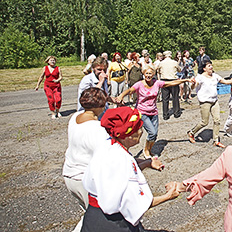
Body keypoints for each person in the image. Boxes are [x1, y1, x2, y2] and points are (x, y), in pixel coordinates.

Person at [81, 107, 179, 232]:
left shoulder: (107, 145)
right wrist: (168, 196)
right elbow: (137, 203)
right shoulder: (122, 160)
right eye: (138, 129)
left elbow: (119, 173)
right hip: (114, 224)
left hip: (93, 217)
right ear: (127, 136)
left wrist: (148, 163)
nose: (141, 132)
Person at [117, 65, 192, 159]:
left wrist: (185, 80)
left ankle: (149, 150)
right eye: (146, 73)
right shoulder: (139, 84)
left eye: (150, 73)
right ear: (143, 74)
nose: (148, 75)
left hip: (153, 112)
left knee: (155, 134)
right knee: (152, 132)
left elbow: (172, 83)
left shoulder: (157, 83)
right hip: (142, 112)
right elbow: (129, 90)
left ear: (153, 74)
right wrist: (121, 96)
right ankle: (146, 151)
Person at [62, 88, 110, 232]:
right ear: (100, 106)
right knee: (98, 218)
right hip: (85, 178)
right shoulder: (98, 129)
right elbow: (107, 156)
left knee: (88, 215)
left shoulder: (75, 117)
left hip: (69, 174)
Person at [187, 61, 232, 148]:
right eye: (209, 66)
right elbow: (193, 87)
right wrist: (193, 84)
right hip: (205, 102)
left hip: (214, 101)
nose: (211, 67)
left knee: (217, 120)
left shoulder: (215, 76)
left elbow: (225, 81)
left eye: (211, 65)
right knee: (204, 122)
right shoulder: (200, 77)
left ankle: (216, 140)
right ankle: (191, 132)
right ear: (204, 68)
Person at [157, 51, 182, 120]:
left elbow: (158, 71)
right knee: (175, 97)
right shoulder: (174, 62)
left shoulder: (161, 63)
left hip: (164, 81)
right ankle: (176, 113)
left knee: (165, 99)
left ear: (164, 56)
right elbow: (179, 70)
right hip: (173, 80)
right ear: (170, 55)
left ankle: (165, 115)